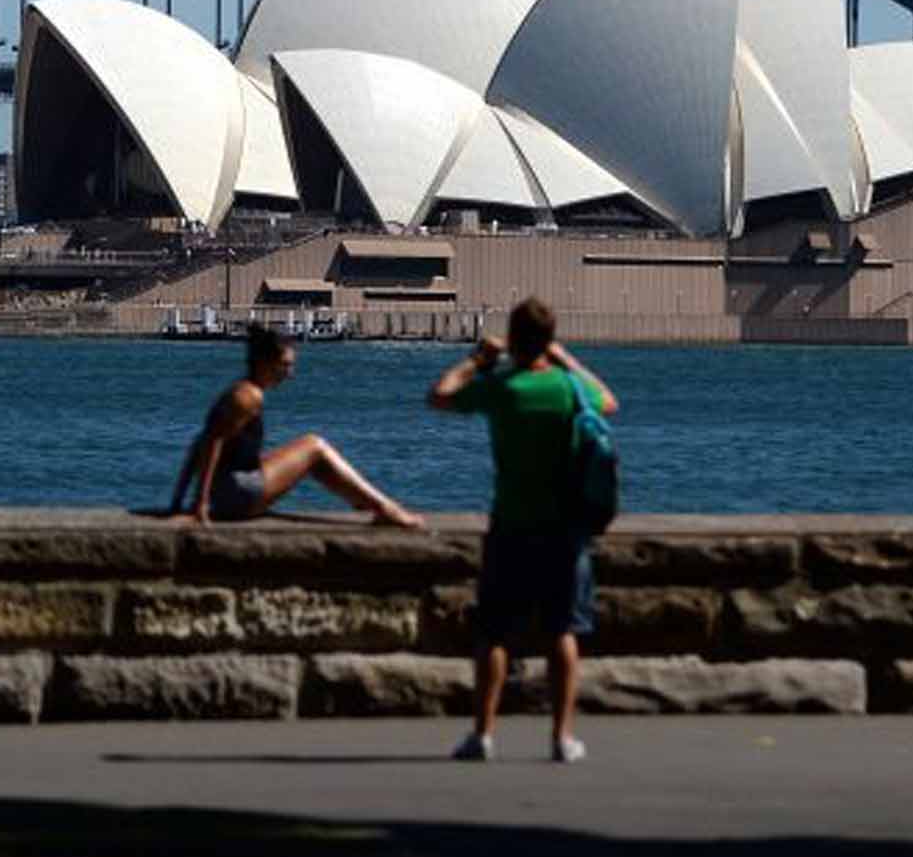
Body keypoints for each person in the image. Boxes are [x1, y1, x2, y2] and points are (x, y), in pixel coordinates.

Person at [427, 296, 618, 764]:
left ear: (512, 339)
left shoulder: (502, 387)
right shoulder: (568, 390)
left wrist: (477, 359)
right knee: (562, 632)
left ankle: (483, 734)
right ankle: (561, 737)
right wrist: (564, 358)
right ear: (548, 340)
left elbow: (439, 395)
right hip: (564, 530)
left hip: (511, 524)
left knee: (493, 633)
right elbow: (609, 401)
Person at [170, 322, 423, 527]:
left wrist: (178, 502)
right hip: (237, 496)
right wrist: (200, 505)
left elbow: (199, 444)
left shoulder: (238, 391)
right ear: (265, 362)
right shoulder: (248, 397)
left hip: (227, 492)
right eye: (285, 365)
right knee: (315, 447)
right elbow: (211, 443)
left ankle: (364, 502)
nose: (289, 374)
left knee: (311, 456)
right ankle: (383, 507)